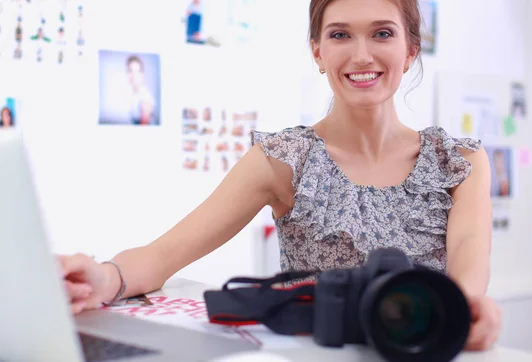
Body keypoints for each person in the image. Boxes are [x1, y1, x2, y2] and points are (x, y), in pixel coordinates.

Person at [58, 0, 501, 352]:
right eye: (340, 35)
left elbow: (467, 265)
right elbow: (162, 256)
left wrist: (468, 311)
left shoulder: (458, 162)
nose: (361, 54)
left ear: (409, 50)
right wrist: (105, 277)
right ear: (318, 52)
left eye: (382, 33)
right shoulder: (284, 159)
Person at [126, 55, 156, 125]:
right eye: (130, 70)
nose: (133, 75)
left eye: (137, 71)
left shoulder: (145, 97)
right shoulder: (133, 95)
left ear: (142, 74)